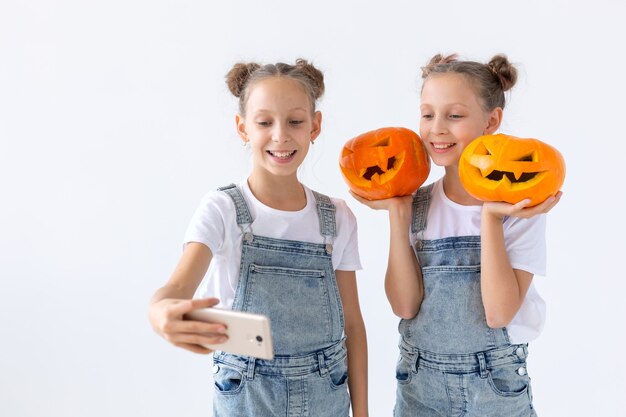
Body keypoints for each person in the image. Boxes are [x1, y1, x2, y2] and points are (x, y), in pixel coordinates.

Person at [148, 59, 368, 417]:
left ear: (315, 126)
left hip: (326, 396)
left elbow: (353, 325)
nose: (280, 135)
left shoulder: (338, 217)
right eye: (265, 122)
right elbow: (175, 288)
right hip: (248, 397)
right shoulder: (223, 210)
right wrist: (160, 313)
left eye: (295, 121)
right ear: (243, 128)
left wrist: (362, 413)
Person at [353, 54, 561, 417]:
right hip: (419, 386)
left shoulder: (519, 210)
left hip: (495, 388)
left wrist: (491, 219)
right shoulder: (417, 204)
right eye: (428, 114)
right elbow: (404, 306)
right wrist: (399, 218)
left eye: (455, 115)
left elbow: (499, 314)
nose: (437, 129)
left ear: (491, 121)